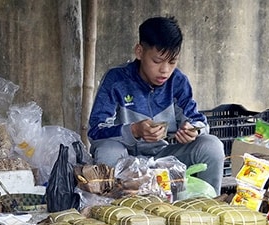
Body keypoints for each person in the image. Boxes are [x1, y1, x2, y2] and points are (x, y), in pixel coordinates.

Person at [87, 16, 224, 195]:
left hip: (163, 156)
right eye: (157, 61)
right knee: (107, 151)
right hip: (125, 159)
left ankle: (209, 209)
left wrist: (193, 130)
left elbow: (198, 121)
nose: (165, 70)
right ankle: (115, 211)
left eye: (172, 62)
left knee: (211, 146)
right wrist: (134, 130)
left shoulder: (178, 81)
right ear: (139, 51)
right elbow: (96, 131)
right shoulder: (116, 80)